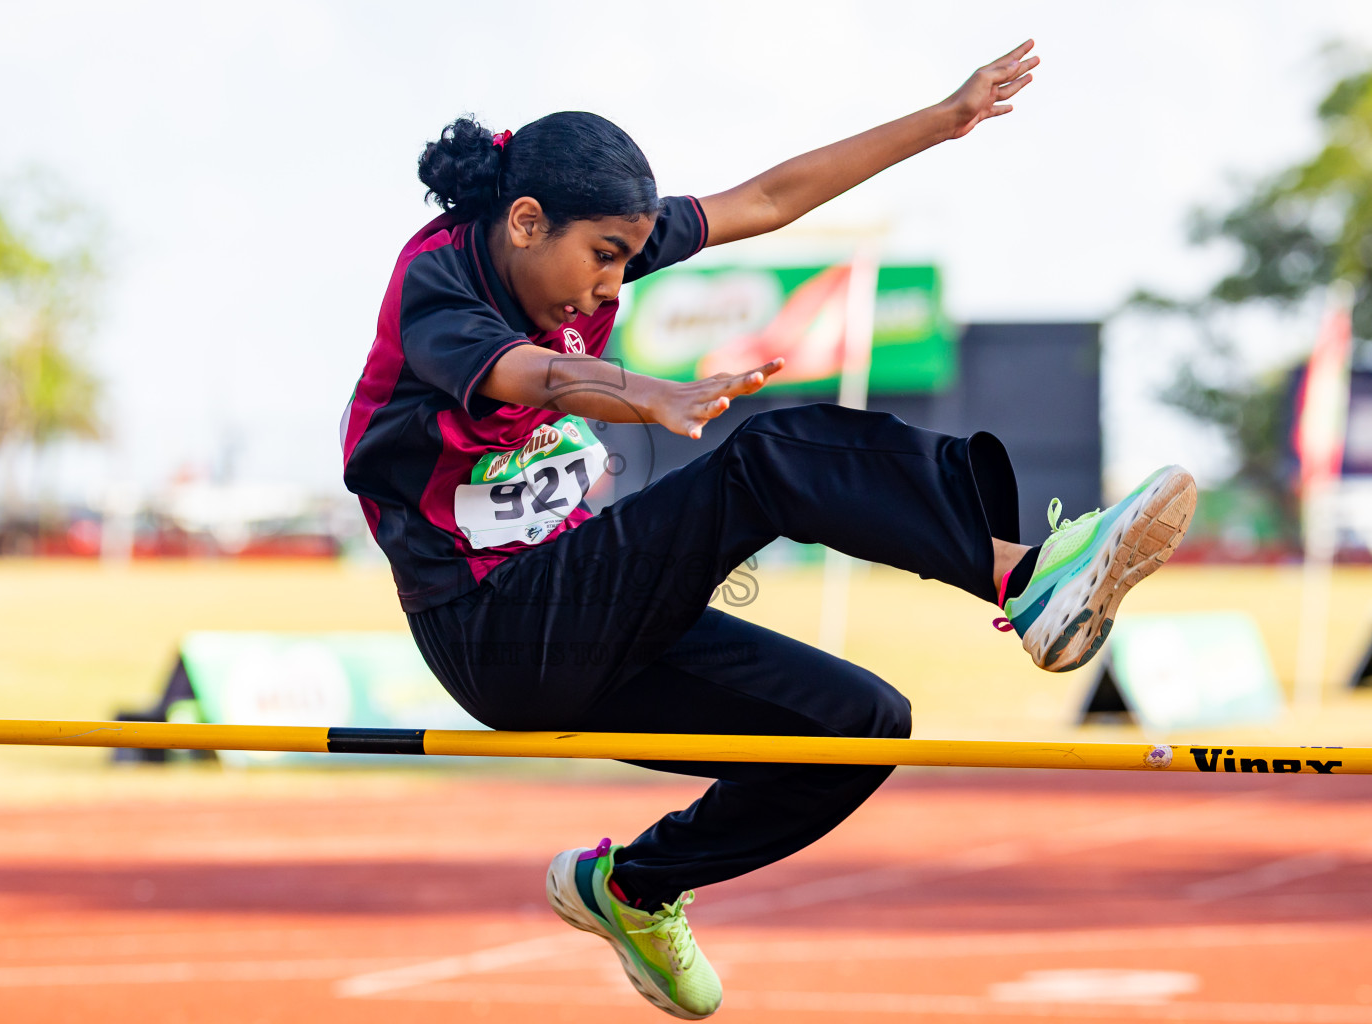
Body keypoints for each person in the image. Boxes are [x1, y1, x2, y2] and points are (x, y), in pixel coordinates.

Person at [340, 40, 1195, 1019]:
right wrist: (648, 393)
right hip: (494, 625)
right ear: (526, 221)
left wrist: (941, 119)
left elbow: (770, 197)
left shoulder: (585, 239)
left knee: (859, 727)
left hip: (585, 615)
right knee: (766, 458)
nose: (611, 288)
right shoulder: (439, 286)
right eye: (603, 258)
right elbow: (533, 375)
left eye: (627, 259)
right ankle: (1021, 576)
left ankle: (634, 888)